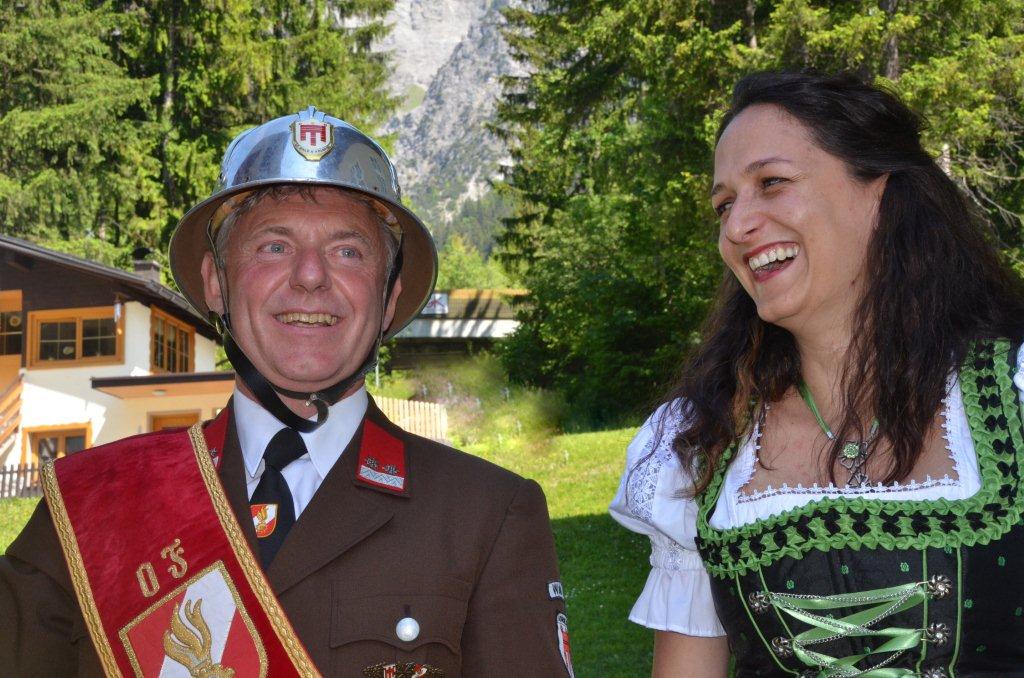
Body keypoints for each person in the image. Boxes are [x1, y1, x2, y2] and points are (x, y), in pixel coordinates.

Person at [0, 107, 574, 677]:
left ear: (389, 298)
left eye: (348, 251)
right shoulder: (92, 506)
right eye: (274, 246)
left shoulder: (488, 514)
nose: (310, 276)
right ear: (216, 283)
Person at [610, 72, 1024, 677]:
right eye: (724, 205)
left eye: (772, 183)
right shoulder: (701, 442)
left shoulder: (1014, 394)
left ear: (880, 192)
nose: (736, 226)